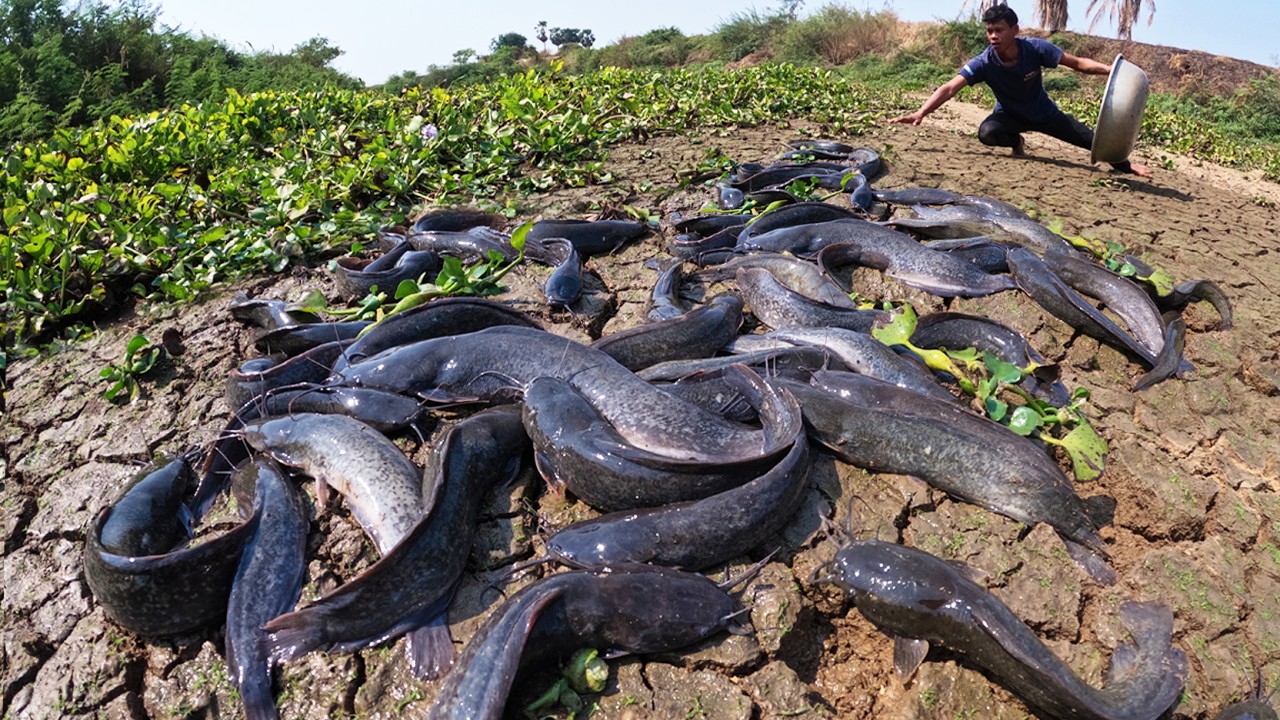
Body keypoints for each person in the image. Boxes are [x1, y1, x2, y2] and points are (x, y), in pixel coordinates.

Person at [890, 4, 1151, 178]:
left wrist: (1110, 70)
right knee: (988, 133)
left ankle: (1127, 166)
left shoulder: (1036, 49)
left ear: (1014, 30)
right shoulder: (983, 63)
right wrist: (921, 112)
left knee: (1093, 142)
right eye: (989, 31)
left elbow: (1078, 63)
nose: (993, 36)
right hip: (1010, 115)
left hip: (1045, 115)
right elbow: (949, 88)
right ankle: (1017, 141)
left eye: (999, 30)